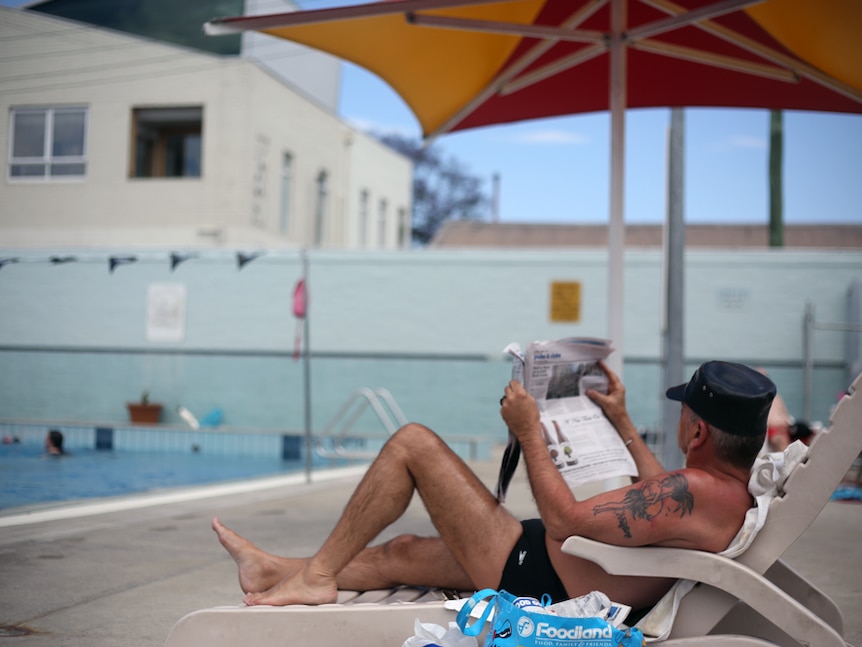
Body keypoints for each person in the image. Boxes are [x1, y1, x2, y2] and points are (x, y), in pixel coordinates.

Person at [213, 360, 775, 611]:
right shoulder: (720, 492)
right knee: (403, 552)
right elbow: (663, 492)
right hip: (541, 561)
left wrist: (530, 432)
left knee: (412, 443)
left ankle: (315, 577)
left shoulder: (698, 492)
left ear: (697, 429)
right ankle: (274, 570)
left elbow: (564, 522)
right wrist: (622, 422)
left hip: (537, 577)